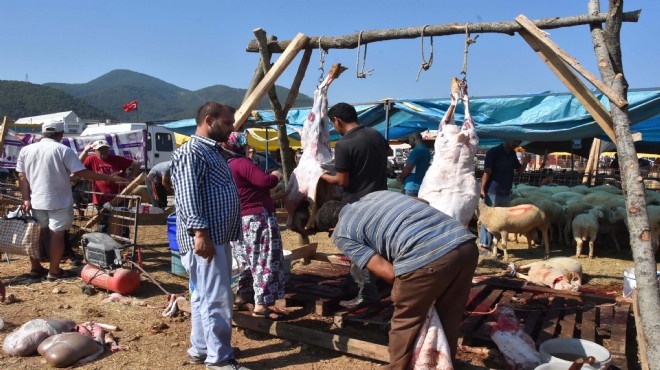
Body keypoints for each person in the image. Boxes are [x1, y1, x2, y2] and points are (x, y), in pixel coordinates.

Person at [314, 191, 478, 369]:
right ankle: (443, 363)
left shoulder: (341, 233)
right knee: (450, 313)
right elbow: (422, 201)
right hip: (465, 243)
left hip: (428, 256)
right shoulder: (376, 195)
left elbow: (388, 272)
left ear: (331, 229)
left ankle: (397, 367)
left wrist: (407, 291)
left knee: (405, 319)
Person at [170, 102, 247, 370]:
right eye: (227, 123)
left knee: (204, 296)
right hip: (205, 237)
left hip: (216, 236)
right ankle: (219, 360)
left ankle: (202, 349)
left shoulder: (213, 152)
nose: (232, 128)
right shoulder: (192, 152)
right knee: (217, 298)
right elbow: (187, 197)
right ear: (209, 120)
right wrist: (200, 233)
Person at [16, 121, 126, 280]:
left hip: (36, 200)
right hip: (59, 200)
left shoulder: (26, 150)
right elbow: (82, 173)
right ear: (61, 134)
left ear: (43, 133)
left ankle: (35, 269)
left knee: (36, 235)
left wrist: (26, 198)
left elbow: (21, 176)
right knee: (57, 234)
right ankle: (54, 271)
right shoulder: (63, 149)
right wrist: (109, 178)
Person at [320, 102, 390, 308]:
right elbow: (387, 154)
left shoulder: (344, 144)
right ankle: (380, 283)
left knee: (359, 250)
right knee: (377, 245)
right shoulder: (375, 134)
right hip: (381, 198)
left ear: (337, 121)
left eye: (333, 124)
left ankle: (367, 293)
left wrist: (322, 176)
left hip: (358, 203)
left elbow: (342, 181)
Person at [223, 133, 287, 320]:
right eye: (246, 145)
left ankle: (242, 296)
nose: (250, 149)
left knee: (247, 262)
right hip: (257, 220)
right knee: (264, 260)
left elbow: (249, 193)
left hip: (241, 220)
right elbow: (265, 182)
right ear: (236, 146)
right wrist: (277, 173)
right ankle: (261, 306)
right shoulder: (241, 163)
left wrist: (275, 198)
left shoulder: (227, 165)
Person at [479, 140, 531, 254]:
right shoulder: (493, 152)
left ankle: (494, 246)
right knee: (488, 219)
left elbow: (519, 170)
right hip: (492, 191)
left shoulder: (512, 154)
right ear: (508, 138)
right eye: (515, 142)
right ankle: (484, 246)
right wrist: (482, 189)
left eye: (518, 143)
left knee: (501, 221)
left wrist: (525, 162)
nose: (516, 145)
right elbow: (487, 171)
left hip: (506, 191)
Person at [80, 139, 141, 232]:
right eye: (100, 149)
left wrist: (130, 178)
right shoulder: (91, 159)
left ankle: (124, 241)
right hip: (101, 197)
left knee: (121, 220)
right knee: (103, 220)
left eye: (106, 149)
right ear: (95, 151)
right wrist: (85, 152)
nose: (103, 152)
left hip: (120, 196)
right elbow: (78, 168)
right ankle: (104, 241)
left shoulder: (117, 159)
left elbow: (137, 163)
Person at [396, 132, 431, 197]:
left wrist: (400, 177)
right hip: (421, 184)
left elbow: (407, 169)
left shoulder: (416, 151)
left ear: (413, 139)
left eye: (409, 140)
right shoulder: (426, 151)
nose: (409, 143)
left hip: (412, 186)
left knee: (409, 206)